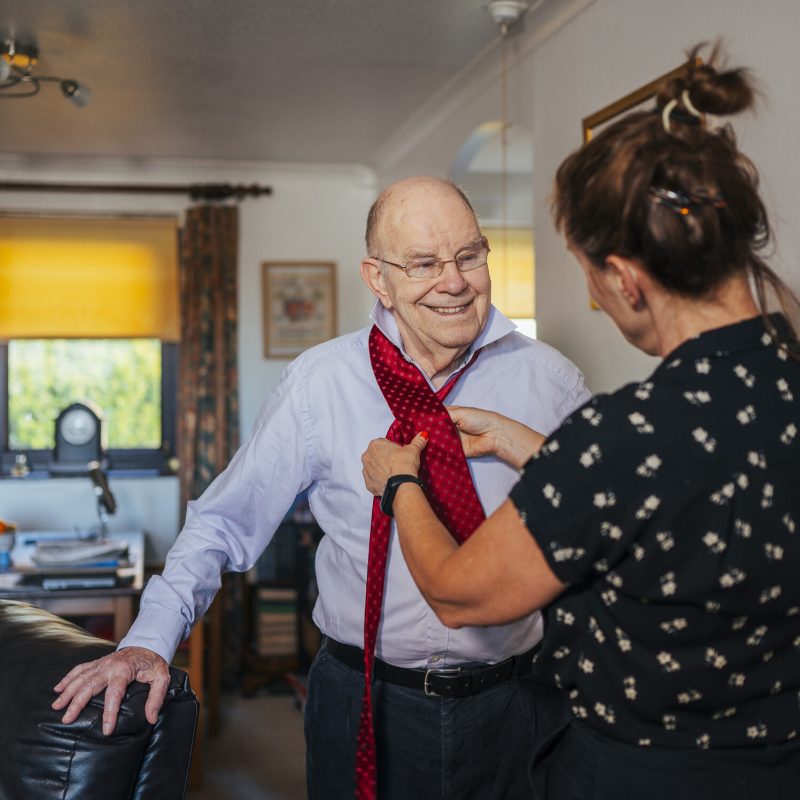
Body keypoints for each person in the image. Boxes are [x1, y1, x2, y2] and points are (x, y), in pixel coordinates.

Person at [52, 175, 590, 799]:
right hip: (363, 698)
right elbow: (225, 521)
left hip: (519, 700)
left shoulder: (553, 384)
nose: (454, 282)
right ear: (377, 278)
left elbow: (603, 534)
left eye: (469, 256)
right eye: (423, 264)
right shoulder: (320, 382)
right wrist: (148, 642)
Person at [361, 48, 800, 800]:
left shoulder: (625, 433)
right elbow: (692, 493)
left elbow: (462, 594)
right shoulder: (767, 386)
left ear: (626, 279)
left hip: (648, 773)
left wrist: (399, 481)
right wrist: (534, 448)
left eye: (591, 275)